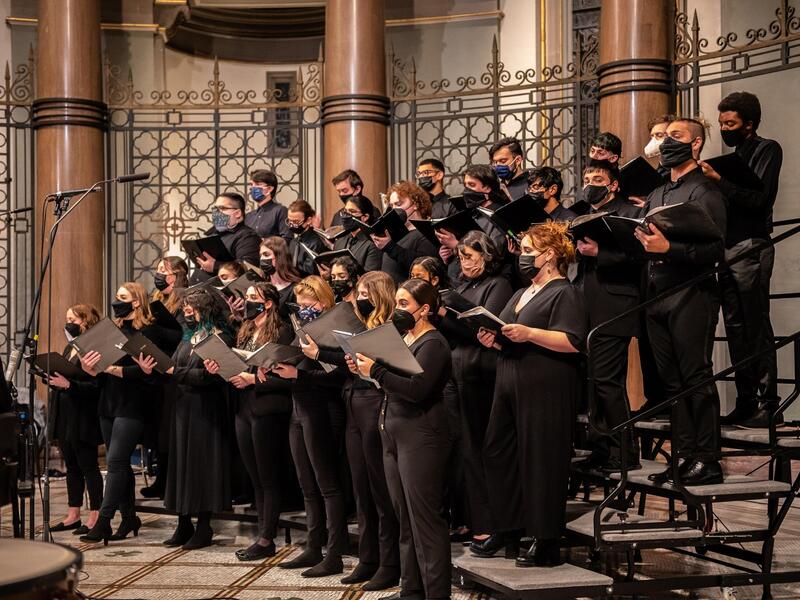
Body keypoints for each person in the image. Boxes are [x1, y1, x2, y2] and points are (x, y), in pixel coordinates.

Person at [477, 222, 586, 567]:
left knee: (542, 459)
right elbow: (511, 331)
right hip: (510, 375)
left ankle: (546, 539)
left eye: (528, 251)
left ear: (550, 255)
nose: (522, 258)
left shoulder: (565, 292)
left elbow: (571, 341)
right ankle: (509, 527)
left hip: (546, 382)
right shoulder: (522, 291)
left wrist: (529, 333)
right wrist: (494, 340)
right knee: (498, 451)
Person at [634, 117, 726, 486]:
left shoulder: (706, 191)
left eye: (676, 136)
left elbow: (717, 249)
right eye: (664, 136)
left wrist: (670, 247)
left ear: (696, 144)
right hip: (657, 293)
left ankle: (709, 459)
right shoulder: (658, 193)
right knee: (672, 383)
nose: (667, 142)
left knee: (696, 378)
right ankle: (684, 456)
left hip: (692, 293)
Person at [349, 278, 453, 600]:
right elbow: (392, 384)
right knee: (404, 519)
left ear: (424, 309)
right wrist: (364, 369)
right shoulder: (405, 339)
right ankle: (411, 590)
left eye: (404, 304)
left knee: (426, 522)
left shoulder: (434, 344)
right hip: (393, 432)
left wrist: (376, 372)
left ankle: (436, 595)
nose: (398, 310)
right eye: (396, 303)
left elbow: (417, 391)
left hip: (421, 436)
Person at [301, 271, 402, 589]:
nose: (358, 297)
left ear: (379, 294)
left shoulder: (391, 325)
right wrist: (321, 354)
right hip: (353, 402)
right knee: (361, 487)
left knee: (380, 492)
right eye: (358, 292)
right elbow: (348, 362)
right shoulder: (360, 324)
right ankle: (368, 559)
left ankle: (389, 563)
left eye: (364, 292)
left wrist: (325, 356)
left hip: (375, 403)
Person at [699, 91, 783, 428]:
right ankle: (746, 400)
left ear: (749, 124)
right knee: (733, 326)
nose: (724, 128)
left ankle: (768, 402)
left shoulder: (767, 149)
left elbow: (760, 198)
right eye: (721, 123)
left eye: (730, 123)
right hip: (727, 246)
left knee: (755, 322)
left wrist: (720, 181)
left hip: (751, 244)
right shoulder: (731, 158)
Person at [135, 287, 234, 550]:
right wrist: (153, 369)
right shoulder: (188, 337)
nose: (187, 313)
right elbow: (173, 368)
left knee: (202, 466)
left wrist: (171, 371)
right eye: (186, 309)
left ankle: (204, 527)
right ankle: (183, 524)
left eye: (192, 309)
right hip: (182, 408)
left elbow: (209, 378)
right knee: (181, 465)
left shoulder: (221, 337)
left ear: (207, 310)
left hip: (206, 409)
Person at [78, 282, 173, 544]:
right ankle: (130, 517)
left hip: (133, 404)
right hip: (108, 402)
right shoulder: (113, 331)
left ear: (136, 302)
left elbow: (153, 372)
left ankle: (105, 521)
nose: (116, 301)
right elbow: (100, 374)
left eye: (122, 297)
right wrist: (92, 369)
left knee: (117, 461)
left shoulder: (150, 331)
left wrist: (121, 371)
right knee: (118, 464)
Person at [205, 283, 294, 560]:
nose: (248, 302)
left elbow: (285, 377)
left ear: (268, 303)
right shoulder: (245, 330)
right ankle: (262, 533)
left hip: (269, 408)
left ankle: (267, 538)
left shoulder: (281, 332)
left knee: (268, 477)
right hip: (244, 407)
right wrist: (219, 368)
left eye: (254, 299)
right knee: (254, 476)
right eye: (247, 298)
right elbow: (239, 366)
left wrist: (253, 378)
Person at [269, 277, 348, 577]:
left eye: (309, 304)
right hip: (299, 410)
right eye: (300, 305)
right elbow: (291, 360)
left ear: (325, 302)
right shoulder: (301, 328)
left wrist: (297, 375)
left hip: (323, 410)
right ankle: (313, 546)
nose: (303, 310)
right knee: (307, 485)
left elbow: (338, 375)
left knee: (328, 485)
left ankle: (335, 552)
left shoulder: (334, 328)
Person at [438, 231, 512, 543]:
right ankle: (467, 519)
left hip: (482, 371)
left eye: (470, 256)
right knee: (461, 449)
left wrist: (449, 314)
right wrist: (442, 314)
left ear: (487, 255)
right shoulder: (462, 286)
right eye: (461, 256)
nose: (464, 262)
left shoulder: (499, 284)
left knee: (480, 447)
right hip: (456, 370)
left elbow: (484, 329)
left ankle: (489, 521)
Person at [572, 160, 643, 472]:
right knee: (592, 382)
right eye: (587, 178)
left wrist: (599, 254)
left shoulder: (629, 212)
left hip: (616, 305)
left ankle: (625, 452)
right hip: (588, 303)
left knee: (607, 381)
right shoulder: (584, 214)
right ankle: (602, 449)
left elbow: (639, 257)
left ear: (614, 184)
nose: (590, 182)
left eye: (597, 178)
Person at [47, 304, 103, 535]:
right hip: (66, 413)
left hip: (84, 414)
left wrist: (69, 384)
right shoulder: (70, 347)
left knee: (88, 466)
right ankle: (73, 514)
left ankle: (96, 516)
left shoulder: (93, 347)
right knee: (71, 467)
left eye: (73, 319)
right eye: (67, 318)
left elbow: (96, 386)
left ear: (86, 321)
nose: (68, 323)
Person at [143, 256, 189, 500]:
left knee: (169, 431)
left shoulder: (184, 300)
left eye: (164, 271)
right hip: (158, 371)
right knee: (158, 430)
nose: (159, 275)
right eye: (158, 270)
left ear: (177, 275)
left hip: (176, 369)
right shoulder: (158, 299)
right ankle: (161, 478)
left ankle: (169, 481)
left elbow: (184, 334)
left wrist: (161, 331)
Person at [372, 181, 438, 283]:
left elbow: (422, 265)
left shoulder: (425, 233)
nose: (394, 209)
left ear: (415, 204)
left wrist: (390, 246)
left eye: (398, 204)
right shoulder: (396, 233)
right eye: (392, 206)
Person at [190, 192, 261, 283]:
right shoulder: (213, 233)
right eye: (216, 208)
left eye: (222, 208)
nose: (217, 212)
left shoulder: (248, 237)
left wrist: (215, 266)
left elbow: (247, 268)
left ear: (237, 213)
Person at [332, 196, 382, 272]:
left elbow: (370, 277)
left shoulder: (374, 243)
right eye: (345, 211)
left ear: (365, 217)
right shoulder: (339, 241)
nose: (346, 215)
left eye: (352, 211)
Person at [260, 236, 302, 318]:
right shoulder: (262, 287)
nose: (261, 259)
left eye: (266, 254)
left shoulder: (296, 288)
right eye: (261, 255)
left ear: (280, 257)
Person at [245, 169, 291, 241]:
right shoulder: (249, 216)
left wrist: (265, 242)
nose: (252, 188)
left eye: (258, 184)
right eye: (251, 184)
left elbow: (287, 239)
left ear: (269, 188)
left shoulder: (280, 211)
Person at [287, 200, 328, 277]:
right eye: (289, 221)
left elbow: (310, 272)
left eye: (296, 222)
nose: (292, 225)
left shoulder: (316, 242)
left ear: (308, 220)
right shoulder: (293, 242)